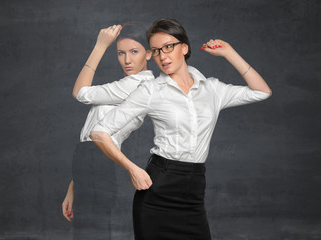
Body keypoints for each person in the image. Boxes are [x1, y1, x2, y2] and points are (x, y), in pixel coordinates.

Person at [90, 18, 272, 240]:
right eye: (156, 51)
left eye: (168, 47)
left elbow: (262, 91)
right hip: (158, 189)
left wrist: (230, 53)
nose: (162, 56)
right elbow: (99, 132)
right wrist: (132, 169)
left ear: (184, 48)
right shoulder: (151, 91)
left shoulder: (212, 89)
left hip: (194, 191)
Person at [61, 22, 153, 240]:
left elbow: (79, 92)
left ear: (148, 54)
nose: (127, 60)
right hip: (90, 162)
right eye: (121, 53)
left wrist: (100, 45)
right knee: (88, 233)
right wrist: (72, 187)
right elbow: (92, 139)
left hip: (97, 163)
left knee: (93, 234)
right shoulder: (126, 84)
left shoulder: (138, 86)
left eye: (134, 52)